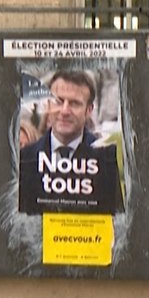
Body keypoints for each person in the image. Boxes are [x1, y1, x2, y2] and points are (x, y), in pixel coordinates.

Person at [18, 69, 123, 215]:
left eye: (74, 103)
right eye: (58, 101)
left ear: (89, 111)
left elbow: (115, 222)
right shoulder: (25, 160)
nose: (65, 111)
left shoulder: (105, 160)